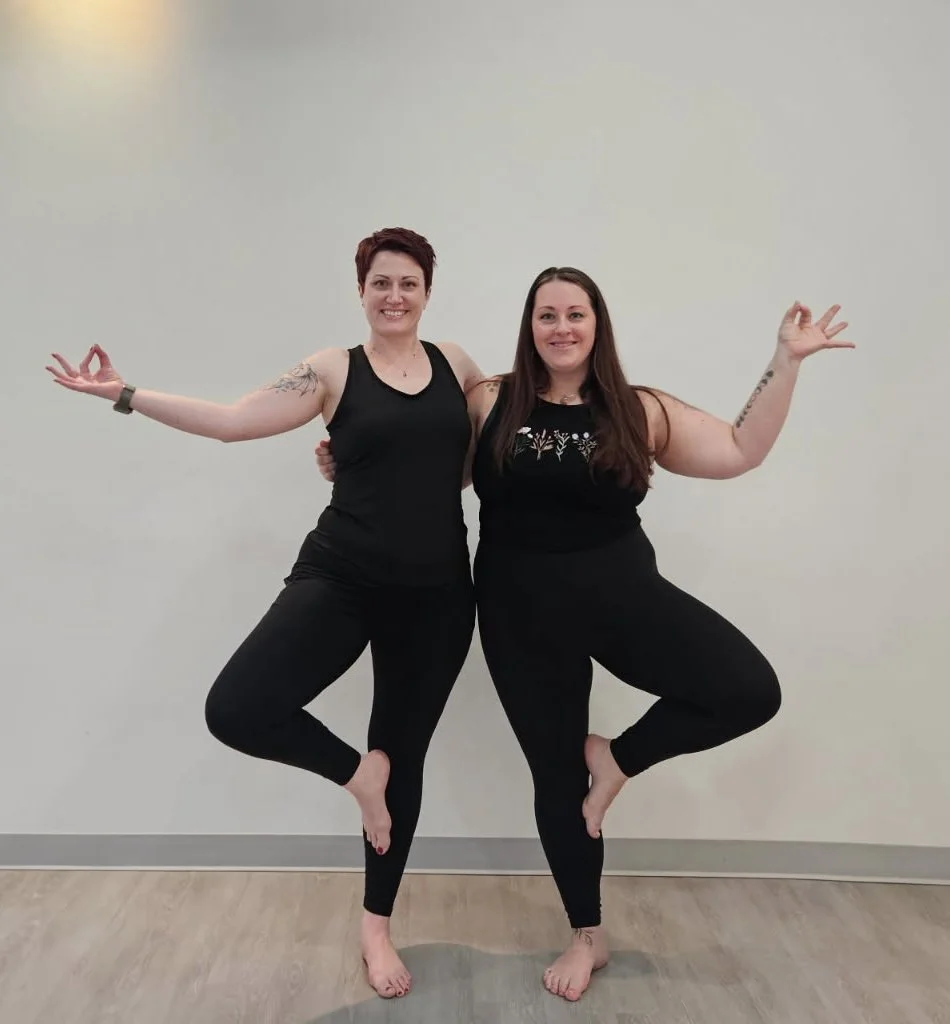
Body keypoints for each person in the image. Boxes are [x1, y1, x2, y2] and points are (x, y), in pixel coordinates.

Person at [316, 265, 853, 1002]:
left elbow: (738, 450)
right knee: (557, 782)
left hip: (624, 598)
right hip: (519, 616)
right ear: (529, 326)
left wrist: (785, 362)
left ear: (597, 324)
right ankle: (588, 936)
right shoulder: (491, 403)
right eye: (547, 315)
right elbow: (425, 464)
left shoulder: (639, 409)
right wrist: (345, 464)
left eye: (576, 313)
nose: (561, 327)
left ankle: (618, 760)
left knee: (747, 688)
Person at [45, 227, 485, 1001]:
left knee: (404, 751)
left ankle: (375, 926)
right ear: (361, 290)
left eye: (408, 283)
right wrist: (123, 393)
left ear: (427, 290)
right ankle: (360, 775)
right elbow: (230, 419)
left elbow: (485, 460)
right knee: (241, 706)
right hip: (342, 576)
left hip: (439, 593)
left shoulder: (458, 366)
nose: (394, 296)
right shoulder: (331, 370)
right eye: (380, 282)